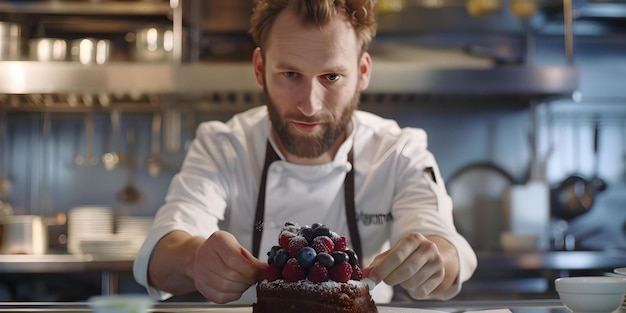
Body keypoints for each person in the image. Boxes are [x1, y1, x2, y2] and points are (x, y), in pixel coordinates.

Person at [133, 0, 477, 304]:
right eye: (290, 74)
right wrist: (194, 259)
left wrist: (432, 261)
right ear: (259, 69)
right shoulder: (223, 146)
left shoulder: (398, 150)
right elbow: (160, 257)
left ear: (362, 73)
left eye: (331, 77)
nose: (309, 105)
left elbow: (444, 247)